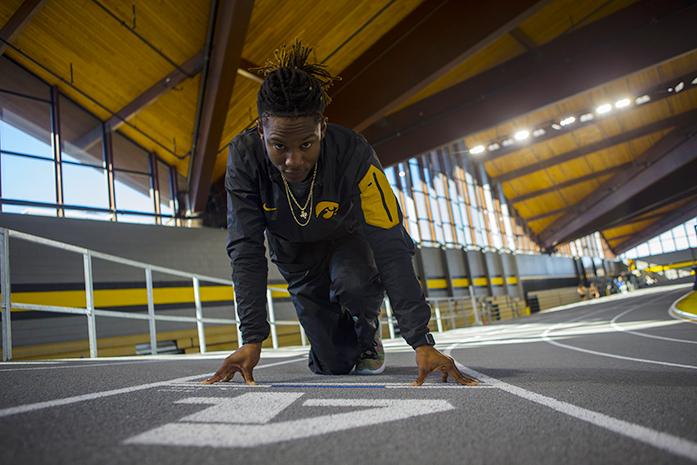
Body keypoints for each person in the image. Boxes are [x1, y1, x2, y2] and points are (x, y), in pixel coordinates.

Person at [204, 42, 476, 387]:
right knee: (332, 364)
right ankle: (340, 340)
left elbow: (391, 243)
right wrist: (252, 338)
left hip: (349, 243)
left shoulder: (355, 153)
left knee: (353, 281)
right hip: (296, 258)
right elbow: (245, 248)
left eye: (306, 144)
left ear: (323, 127)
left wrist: (420, 341)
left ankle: (367, 330)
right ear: (261, 132)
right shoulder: (243, 159)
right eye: (279, 146)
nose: (294, 161)